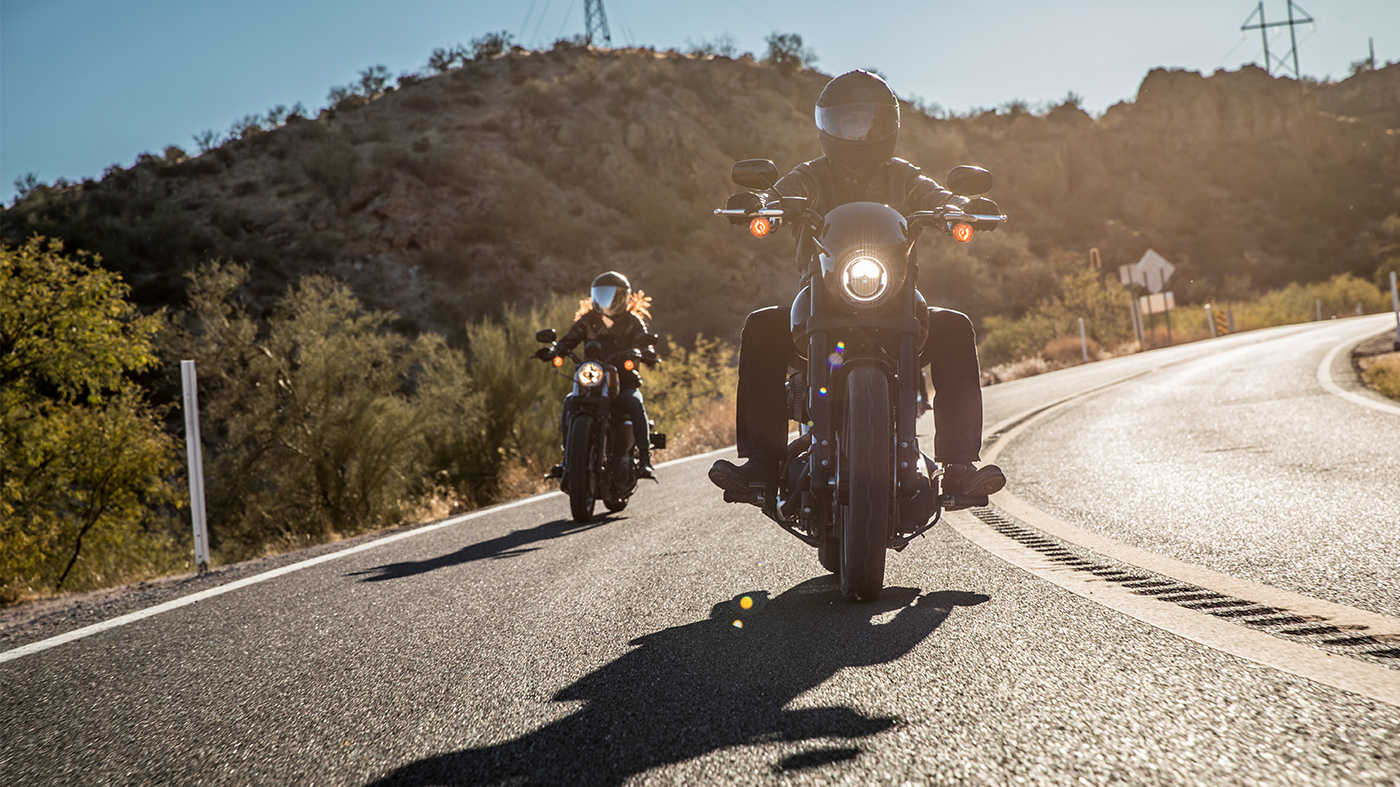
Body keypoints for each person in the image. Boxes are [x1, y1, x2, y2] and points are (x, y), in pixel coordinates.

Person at [708, 69, 1006, 500]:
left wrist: (960, 208)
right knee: (762, 327)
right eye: (847, 121)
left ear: (886, 126)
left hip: (895, 300)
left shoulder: (903, 176)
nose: (857, 131)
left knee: (955, 327)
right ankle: (763, 463)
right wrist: (762, 203)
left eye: (867, 121)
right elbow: (783, 192)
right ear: (829, 126)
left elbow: (935, 195)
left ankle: (958, 466)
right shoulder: (812, 175)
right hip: (823, 299)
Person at [549, 271, 658, 479]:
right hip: (592, 382)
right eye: (602, 294)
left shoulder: (632, 322)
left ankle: (645, 458)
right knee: (569, 402)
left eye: (611, 295)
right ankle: (568, 458)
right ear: (595, 296)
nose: (606, 299)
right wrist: (556, 351)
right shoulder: (587, 321)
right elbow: (568, 340)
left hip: (623, 381)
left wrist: (648, 353)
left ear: (622, 297)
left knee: (634, 401)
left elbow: (643, 339)